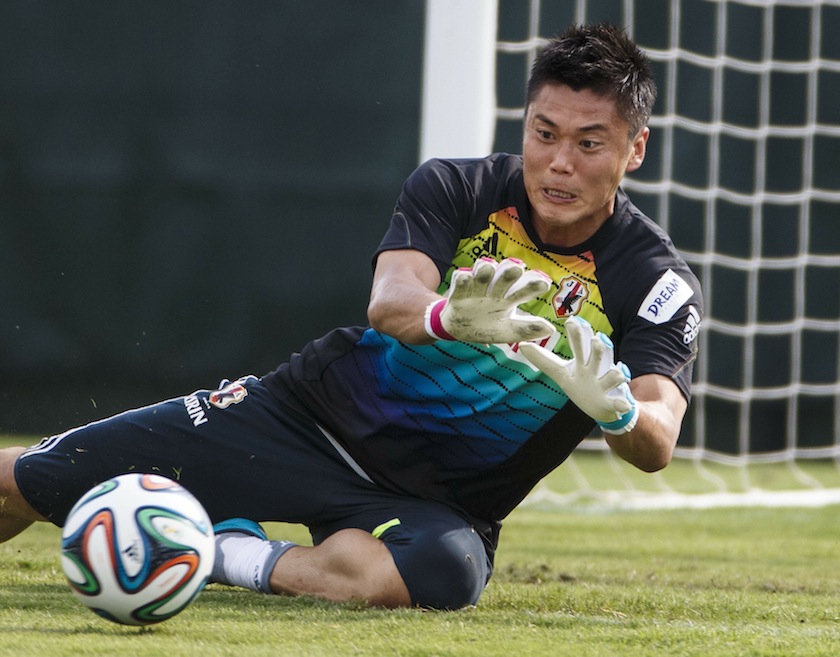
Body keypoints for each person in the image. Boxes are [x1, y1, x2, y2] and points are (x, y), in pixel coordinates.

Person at [0, 23, 702, 611]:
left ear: (634, 149)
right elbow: (392, 301)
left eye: (589, 143)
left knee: (446, 576)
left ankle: (212, 547)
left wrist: (615, 415)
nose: (558, 164)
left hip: (437, 501)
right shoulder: (456, 187)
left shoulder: (653, 279)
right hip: (306, 420)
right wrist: (446, 318)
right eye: (544, 133)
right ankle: (184, 515)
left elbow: (657, 437)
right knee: (25, 481)